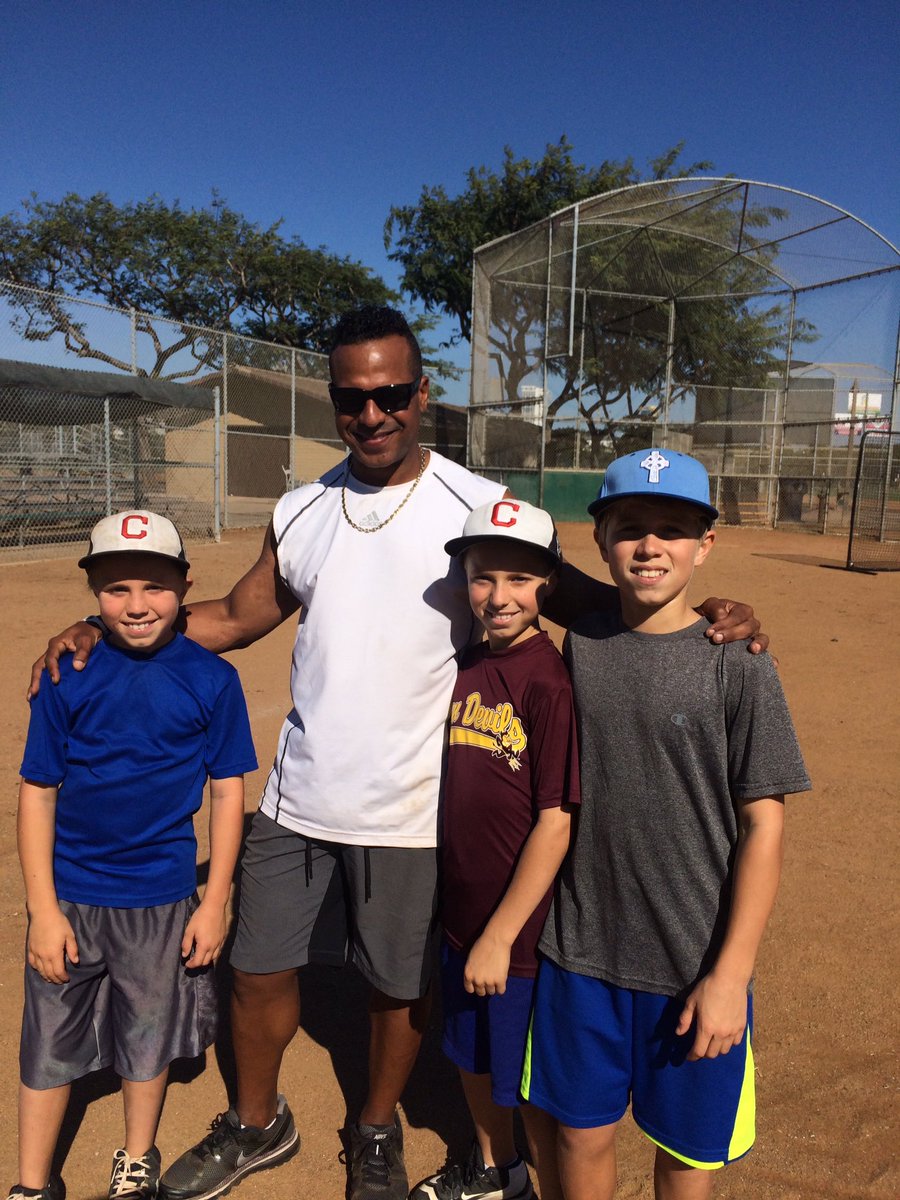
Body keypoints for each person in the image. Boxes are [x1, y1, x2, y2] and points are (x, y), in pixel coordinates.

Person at [29, 308, 767, 1200]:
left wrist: (718, 617)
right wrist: (107, 626)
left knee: (397, 989)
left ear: (421, 394)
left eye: (389, 394)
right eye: (352, 397)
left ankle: (374, 1130)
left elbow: (590, 603)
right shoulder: (302, 508)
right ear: (335, 400)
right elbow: (228, 617)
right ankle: (256, 1123)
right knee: (256, 968)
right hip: (298, 797)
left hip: (413, 808)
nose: (371, 414)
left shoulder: (470, 507)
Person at [521, 450, 812, 1200]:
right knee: (578, 1133)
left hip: (692, 963)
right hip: (580, 954)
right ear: (600, 538)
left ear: (705, 546)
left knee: (684, 1153)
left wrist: (729, 975)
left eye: (674, 530)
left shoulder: (739, 662)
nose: (651, 547)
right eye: (631, 529)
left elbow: (764, 826)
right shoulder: (581, 644)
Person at [9, 511, 256, 1200]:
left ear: (185, 584)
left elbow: (227, 794)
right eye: (116, 588)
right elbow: (37, 791)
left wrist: (214, 899)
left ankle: (136, 1161)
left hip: (161, 896)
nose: (137, 604)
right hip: (73, 896)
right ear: (91, 590)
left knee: (146, 1038)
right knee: (49, 1042)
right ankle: (32, 1183)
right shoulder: (67, 672)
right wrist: (42, 911)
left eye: (155, 585)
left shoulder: (212, 680)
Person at [411, 500, 577, 1200]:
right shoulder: (468, 662)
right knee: (470, 1055)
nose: (497, 596)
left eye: (517, 579)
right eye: (483, 578)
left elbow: (556, 821)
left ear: (546, 586)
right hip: (461, 914)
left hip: (518, 935)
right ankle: (496, 1168)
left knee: (527, 1077)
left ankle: (538, 1183)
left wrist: (500, 936)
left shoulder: (549, 680)